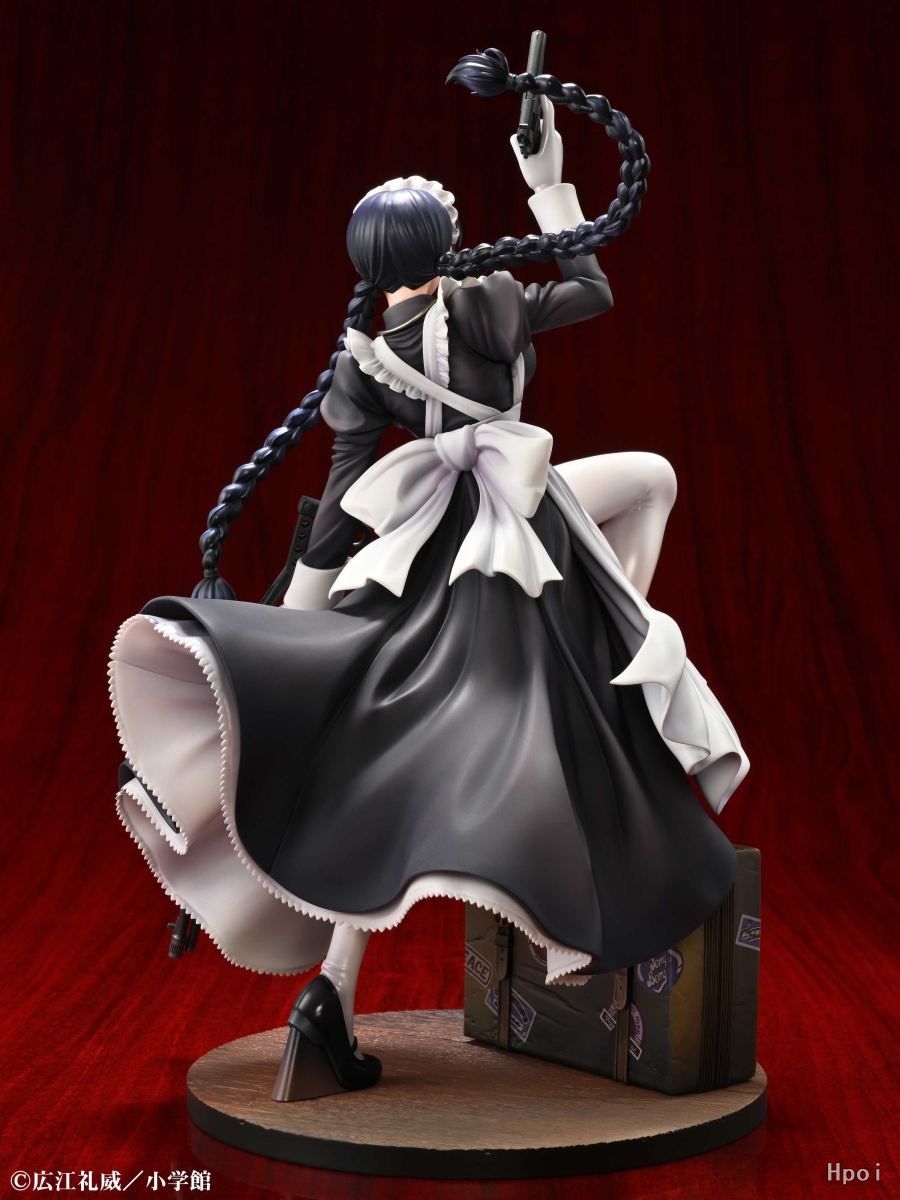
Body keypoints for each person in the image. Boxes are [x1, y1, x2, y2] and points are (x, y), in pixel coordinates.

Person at [109, 95, 748, 1100]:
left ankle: (330, 992)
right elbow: (591, 288)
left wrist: (292, 632)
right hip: (514, 541)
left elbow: (335, 516)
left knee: (380, 778)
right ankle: (613, 666)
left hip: (431, 541)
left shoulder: (363, 360)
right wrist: (547, 185)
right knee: (650, 483)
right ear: (444, 246)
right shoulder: (490, 301)